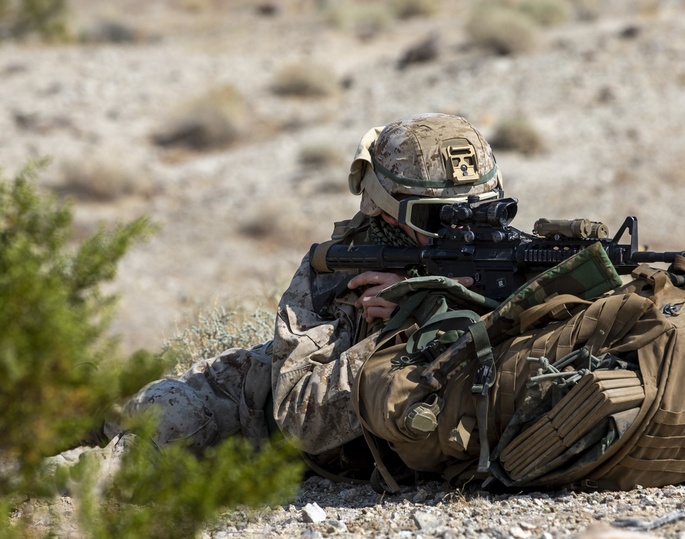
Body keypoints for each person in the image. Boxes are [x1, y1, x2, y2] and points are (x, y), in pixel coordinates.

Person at [113, 113, 505, 480]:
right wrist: (411, 320)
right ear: (388, 212)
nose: (464, 230)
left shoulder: (496, 261)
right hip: (238, 411)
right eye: (438, 219)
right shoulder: (341, 270)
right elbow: (301, 417)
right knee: (137, 435)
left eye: (485, 209)